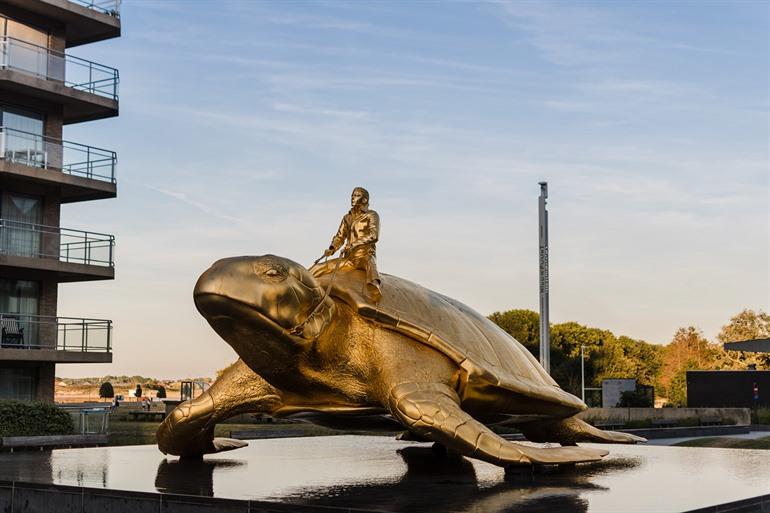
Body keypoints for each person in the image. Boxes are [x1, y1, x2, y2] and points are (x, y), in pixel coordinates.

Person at [311, 187, 382, 300]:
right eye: (352, 196)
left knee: (370, 263)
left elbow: (374, 236)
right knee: (319, 268)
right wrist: (332, 248)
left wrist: (354, 244)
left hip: (364, 256)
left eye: (356, 195)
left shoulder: (372, 215)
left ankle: (375, 287)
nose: (353, 198)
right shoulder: (347, 217)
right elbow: (340, 236)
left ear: (364, 200)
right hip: (348, 259)